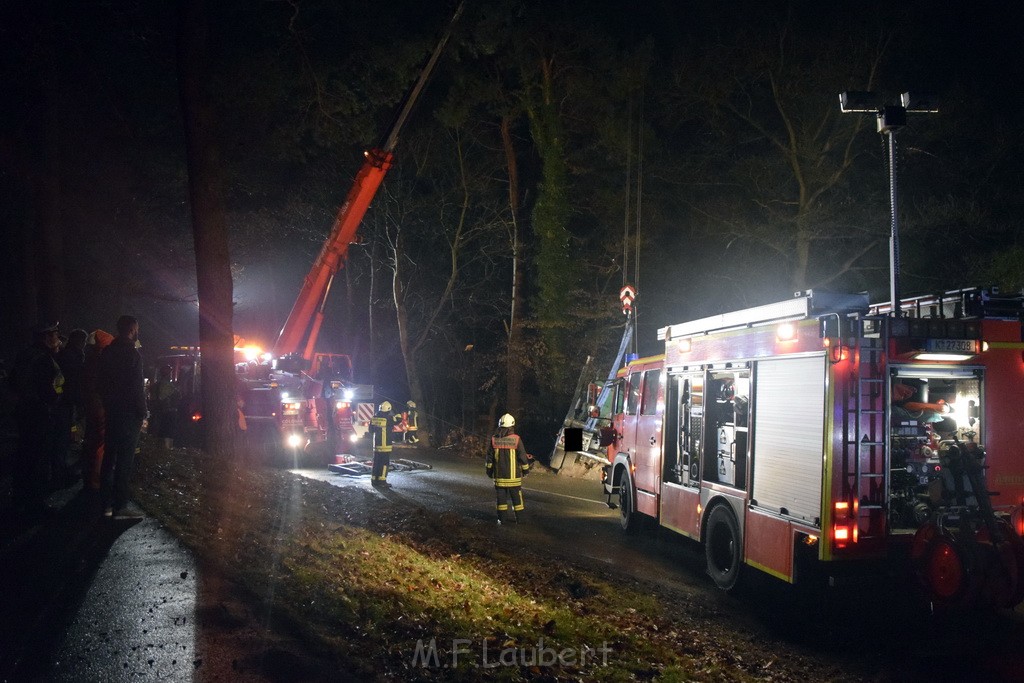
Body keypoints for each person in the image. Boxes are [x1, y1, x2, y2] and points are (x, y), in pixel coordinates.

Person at [9, 322, 64, 521]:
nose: (58, 338)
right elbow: (49, 391)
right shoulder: (44, 360)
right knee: (39, 459)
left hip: (24, 412)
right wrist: (55, 400)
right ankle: (35, 504)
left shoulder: (25, 355)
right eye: (55, 334)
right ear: (47, 337)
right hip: (40, 414)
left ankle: (19, 499)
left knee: (24, 457)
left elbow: (12, 383)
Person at [98, 315, 147, 518]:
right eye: (136, 328)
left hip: (112, 410)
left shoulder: (108, 352)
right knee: (125, 459)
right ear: (132, 329)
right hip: (129, 413)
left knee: (109, 456)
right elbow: (137, 388)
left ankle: (104, 504)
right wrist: (143, 412)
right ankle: (120, 505)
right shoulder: (133, 354)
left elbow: (100, 382)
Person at [55, 328, 88, 487]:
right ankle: (58, 474)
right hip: (66, 402)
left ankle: (58, 469)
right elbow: (75, 382)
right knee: (62, 438)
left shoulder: (64, 355)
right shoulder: (73, 357)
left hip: (63, 401)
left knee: (62, 437)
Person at [81, 329, 114, 491]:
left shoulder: (90, 359)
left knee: (92, 440)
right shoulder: (101, 361)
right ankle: (96, 480)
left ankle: (89, 477)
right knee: (101, 443)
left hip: (93, 404)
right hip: (100, 404)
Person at [485, 413, 532, 525]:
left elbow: (489, 459)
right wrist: (526, 471)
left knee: (501, 501)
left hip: (499, 478)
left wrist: (489, 472)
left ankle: (502, 520)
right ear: (512, 426)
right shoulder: (516, 440)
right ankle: (520, 520)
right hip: (514, 478)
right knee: (517, 500)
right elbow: (522, 457)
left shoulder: (494, 440)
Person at [369, 400, 401, 488]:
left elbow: (370, 431)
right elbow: (398, 419)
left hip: (376, 446)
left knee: (376, 463)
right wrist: (395, 410)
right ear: (388, 410)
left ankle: (374, 480)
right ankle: (382, 481)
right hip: (385, 446)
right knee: (384, 463)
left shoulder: (374, 418)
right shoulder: (389, 419)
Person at [149, 364, 180, 449]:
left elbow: (152, 400)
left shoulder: (155, 386)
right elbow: (177, 397)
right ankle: (167, 450)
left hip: (158, 413)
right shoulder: (171, 386)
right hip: (168, 413)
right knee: (168, 434)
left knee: (158, 433)